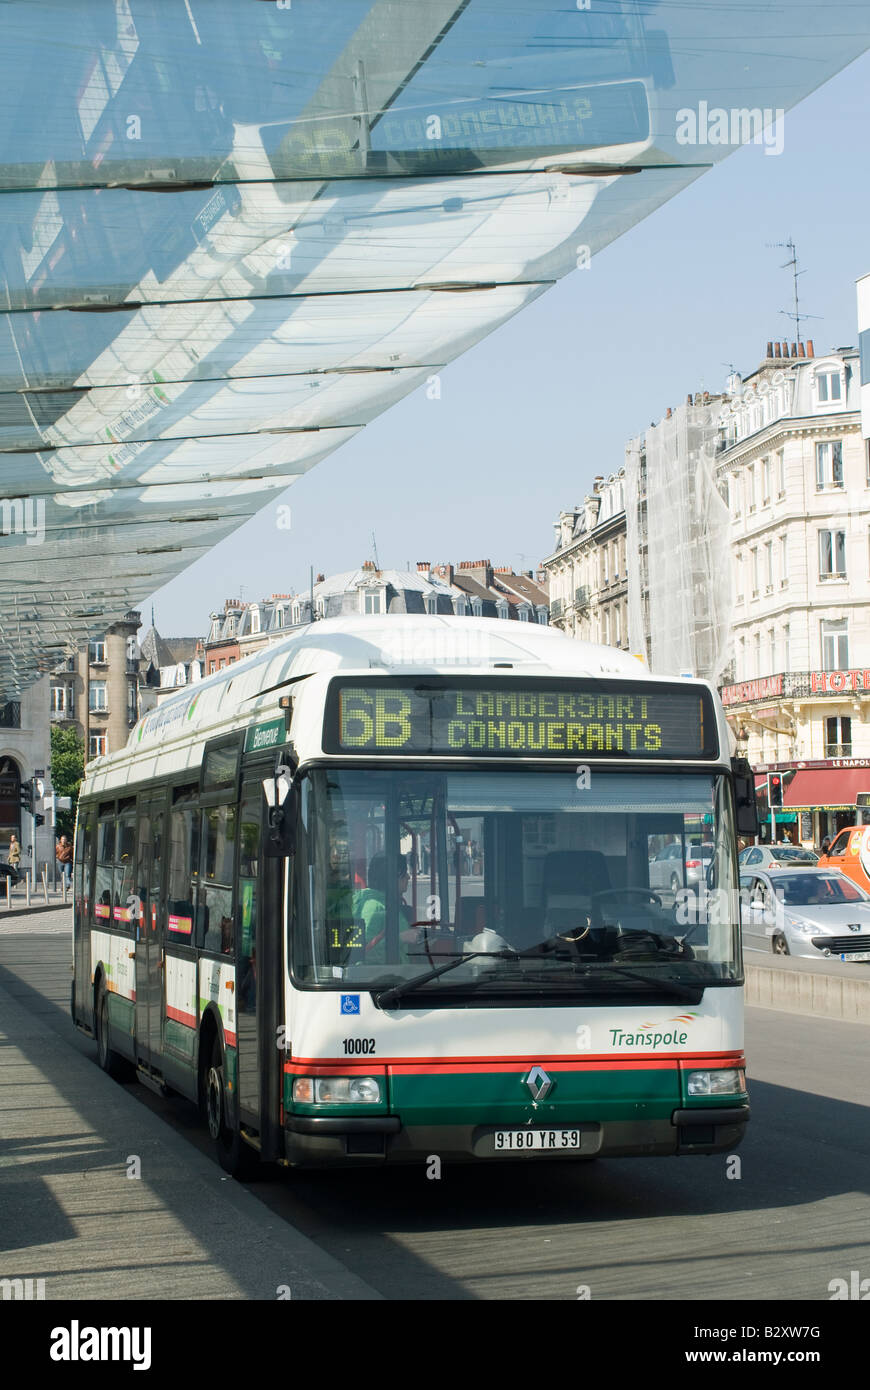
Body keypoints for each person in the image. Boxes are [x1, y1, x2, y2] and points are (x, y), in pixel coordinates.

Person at [352, 852, 417, 962]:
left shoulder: (384, 902)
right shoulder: (373, 907)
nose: (408, 876)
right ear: (390, 877)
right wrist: (401, 938)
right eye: (404, 872)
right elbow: (365, 951)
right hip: (379, 976)